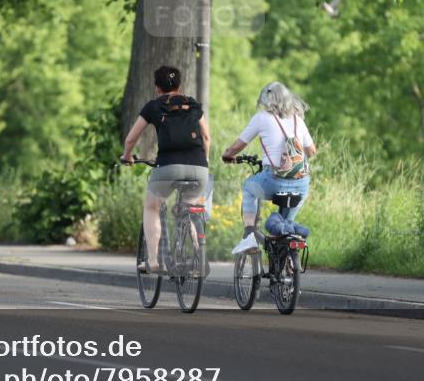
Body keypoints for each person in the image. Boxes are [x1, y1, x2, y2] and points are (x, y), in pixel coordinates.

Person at [121, 66, 210, 273]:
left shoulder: (154, 106)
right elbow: (206, 137)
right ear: (179, 86)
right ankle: (198, 256)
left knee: (152, 206)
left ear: (157, 88)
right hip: (199, 168)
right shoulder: (194, 106)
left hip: (168, 167)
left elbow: (131, 139)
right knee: (190, 207)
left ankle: (153, 261)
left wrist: (127, 156)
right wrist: (204, 161)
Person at [221, 81, 317, 254]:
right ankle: (287, 258)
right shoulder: (298, 119)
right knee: (286, 224)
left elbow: (238, 146)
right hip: (301, 184)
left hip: (274, 180)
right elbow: (311, 150)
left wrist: (228, 154)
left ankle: (249, 235)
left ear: (266, 99)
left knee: (249, 188)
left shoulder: (261, 118)